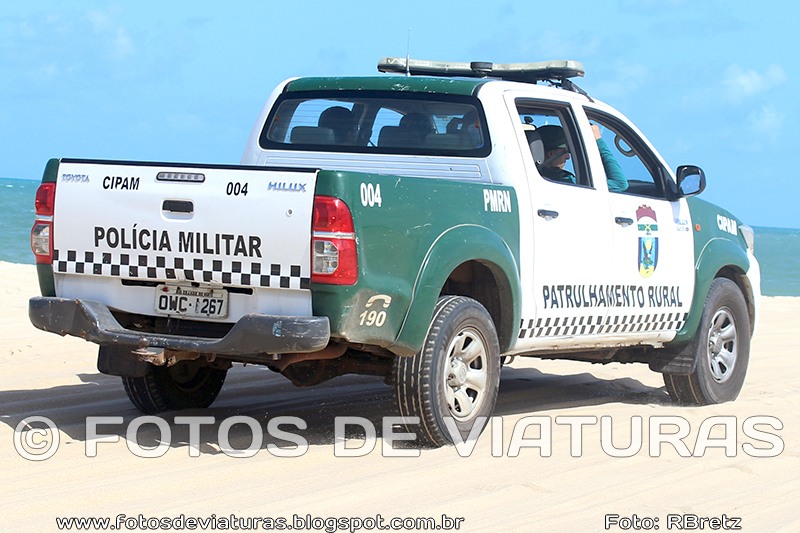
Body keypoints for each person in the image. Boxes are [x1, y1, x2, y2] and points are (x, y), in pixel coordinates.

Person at [536, 124, 628, 192]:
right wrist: (598, 141)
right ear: (550, 154)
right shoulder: (563, 181)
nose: (568, 157)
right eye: (565, 151)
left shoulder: (535, 178)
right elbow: (620, 184)